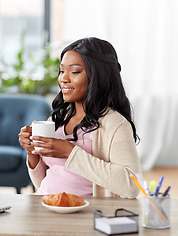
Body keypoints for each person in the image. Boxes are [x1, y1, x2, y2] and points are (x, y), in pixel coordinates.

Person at [18, 37, 142, 198]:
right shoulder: (57, 120)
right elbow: (45, 183)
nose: (63, 78)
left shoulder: (114, 124)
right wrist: (33, 154)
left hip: (84, 216)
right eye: (62, 71)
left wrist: (70, 153)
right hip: (45, 207)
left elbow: (132, 186)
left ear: (99, 76)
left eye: (75, 71)